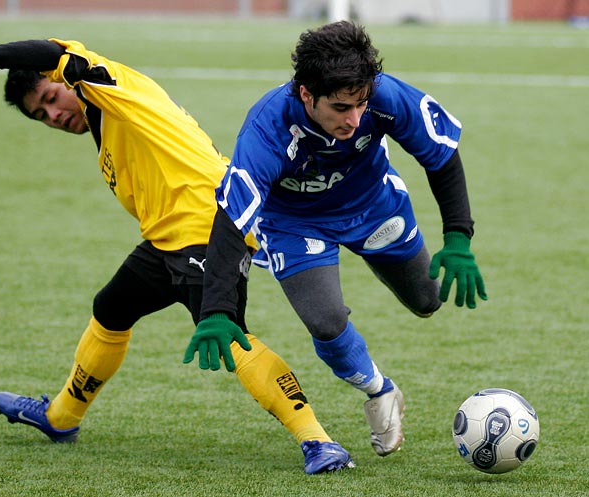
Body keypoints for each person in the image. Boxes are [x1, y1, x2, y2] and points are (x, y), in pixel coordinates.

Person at [0, 37, 355, 474]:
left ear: (60, 80)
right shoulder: (105, 124)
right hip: (167, 240)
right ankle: (60, 417)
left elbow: (53, 51)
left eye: (49, 96)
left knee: (228, 333)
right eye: (40, 114)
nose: (53, 114)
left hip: (209, 229)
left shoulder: (107, 84)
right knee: (111, 309)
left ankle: (318, 440)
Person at [183, 21, 487, 457]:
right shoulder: (266, 130)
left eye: (361, 104)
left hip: (373, 205)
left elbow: (440, 154)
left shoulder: (382, 95)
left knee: (427, 299)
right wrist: (216, 309)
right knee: (325, 320)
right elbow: (233, 218)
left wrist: (458, 238)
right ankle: (380, 391)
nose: (355, 118)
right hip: (294, 224)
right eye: (341, 107)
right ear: (307, 94)